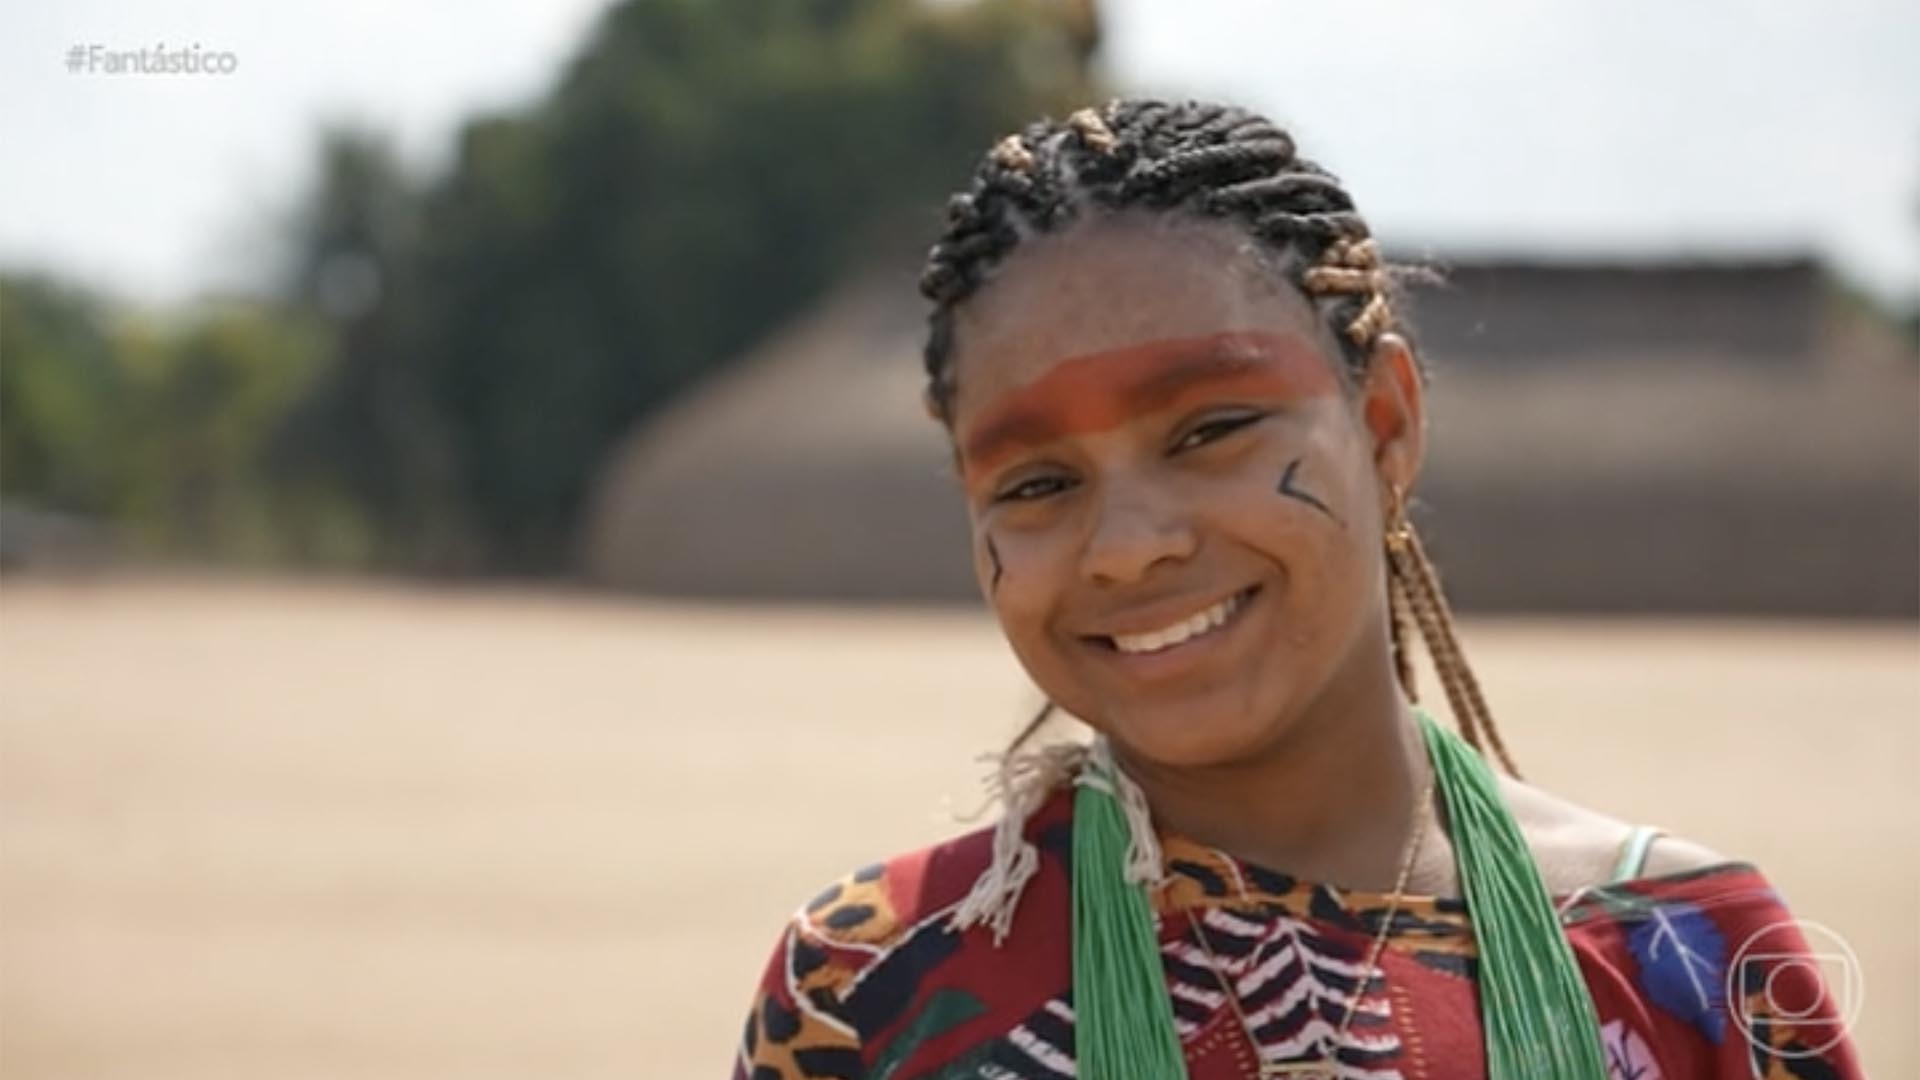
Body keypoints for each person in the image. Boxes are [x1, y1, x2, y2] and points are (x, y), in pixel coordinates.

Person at [729, 98, 1866, 1080]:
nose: (1127, 548)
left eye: (1212, 429)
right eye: (1036, 482)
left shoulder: (1693, 967)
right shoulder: (867, 988)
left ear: (1386, 425)